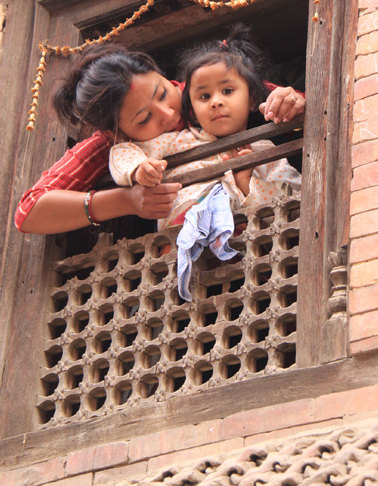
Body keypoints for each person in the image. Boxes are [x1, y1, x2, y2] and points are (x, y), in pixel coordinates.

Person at [15, 41, 305, 235]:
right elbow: (29, 211)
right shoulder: (112, 145)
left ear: (160, 74)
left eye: (163, 92)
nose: (167, 114)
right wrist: (127, 200)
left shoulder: (204, 88)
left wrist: (290, 101)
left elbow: (304, 103)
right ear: (114, 133)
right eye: (144, 119)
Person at [108, 26, 301, 299]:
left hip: (248, 263)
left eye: (227, 90)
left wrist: (247, 183)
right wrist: (138, 168)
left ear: (252, 99)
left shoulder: (265, 151)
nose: (216, 102)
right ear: (192, 108)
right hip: (177, 257)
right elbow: (122, 151)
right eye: (204, 96)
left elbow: (292, 206)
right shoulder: (177, 141)